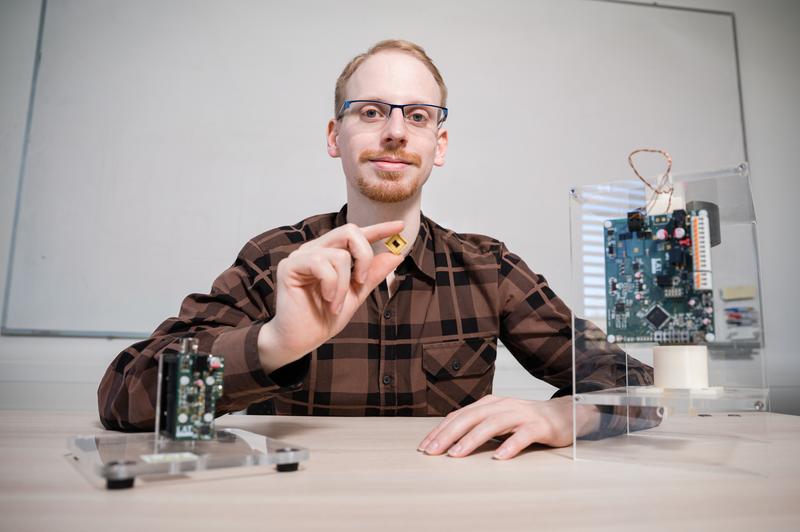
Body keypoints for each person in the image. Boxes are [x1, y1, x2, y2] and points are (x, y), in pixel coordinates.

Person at [98, 39, 654, 460]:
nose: (394, 131)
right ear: (334, 137)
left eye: (416, 115)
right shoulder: (274, 262)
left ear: (438, 145)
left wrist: (566, 418)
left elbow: (637, 384)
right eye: (370, 111)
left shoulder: (490, 269)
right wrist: (270, 345)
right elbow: (123, 395)